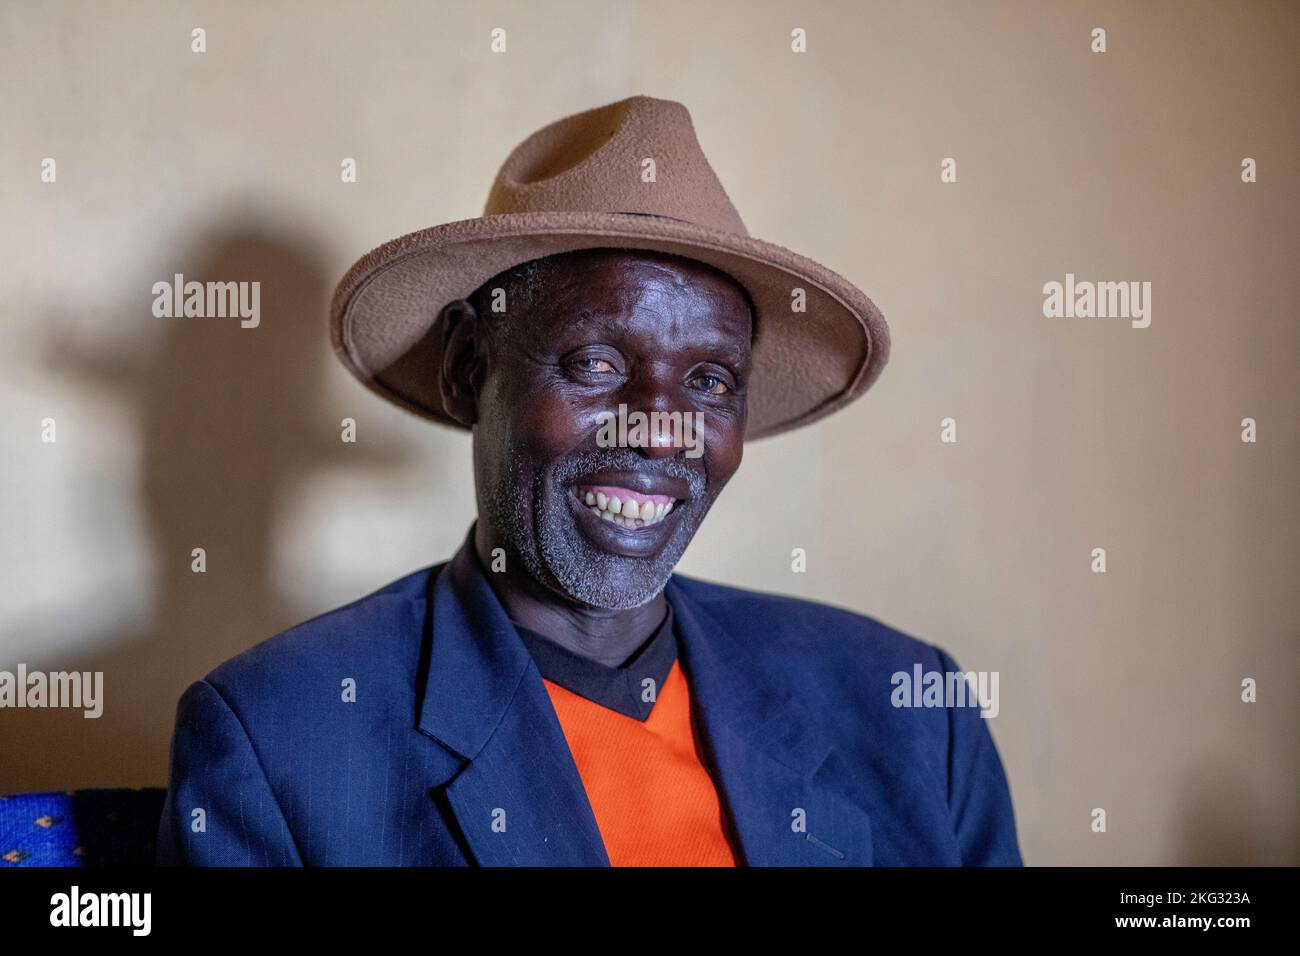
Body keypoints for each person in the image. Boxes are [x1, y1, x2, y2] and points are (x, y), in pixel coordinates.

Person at [157, 95, 1022, 866]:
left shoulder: (911, 710)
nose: (659, 427)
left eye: (710, 383)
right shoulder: (280, 738)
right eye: (598, 362)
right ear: (468, 368)